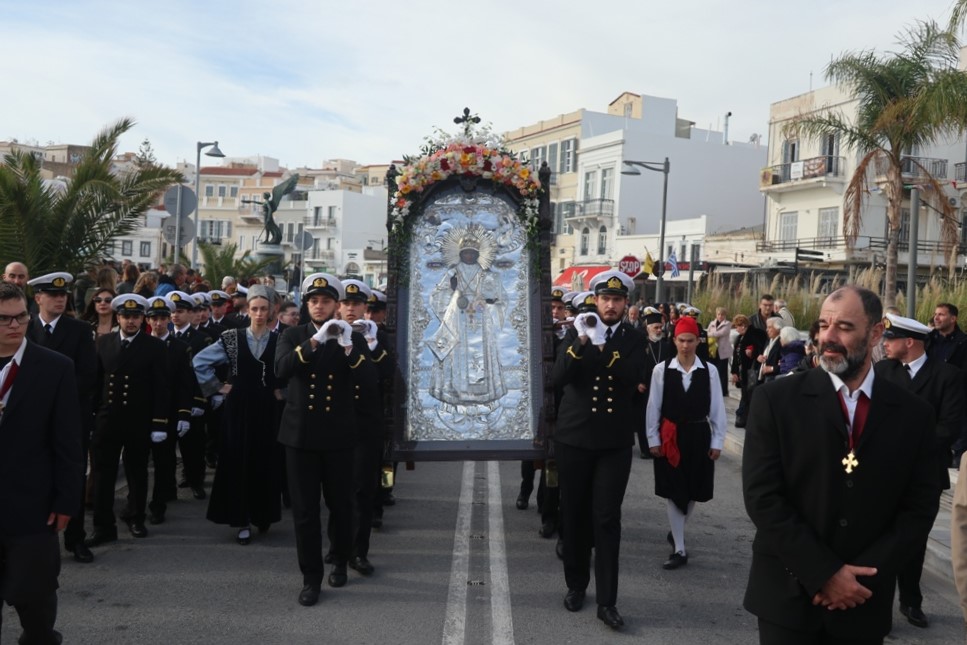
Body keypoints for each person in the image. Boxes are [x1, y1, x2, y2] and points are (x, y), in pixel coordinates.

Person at [742, 286, 941, 644]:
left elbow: (919, 507)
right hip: (787, 599)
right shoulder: (776, 400)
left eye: (845, 327)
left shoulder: (913, 415)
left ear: (876, 333)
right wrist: (824, 574)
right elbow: (763, 498)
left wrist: (859, 580)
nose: (828, 338)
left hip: (863, 601)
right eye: (822, 325)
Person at [275, 273, 378, 607]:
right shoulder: (293, 335)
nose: (320, 306)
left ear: (336, 305)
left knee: (340, 505)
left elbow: (369, 378)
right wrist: (315, 341)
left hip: (338, 436)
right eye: (314, 301)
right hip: (301, 436)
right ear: (307, 306)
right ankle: (311, 578)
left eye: (326, 301)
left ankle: (339, 560)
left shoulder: (351, 337)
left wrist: (348, 345)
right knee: (305, 512)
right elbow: (282, 369)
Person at [552, 270, 646, 630]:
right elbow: (559, 377)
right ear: (596, 300)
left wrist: (604, 350)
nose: (610, 304)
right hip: (574, 439)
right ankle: (576, 585)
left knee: (606, 520)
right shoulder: (577, 333)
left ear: (626, 304)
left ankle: (608, 601)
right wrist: (580, 341)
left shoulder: (634, 339)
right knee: (573, 515)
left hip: (613, 443)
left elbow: (633, 376)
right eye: (605, 299)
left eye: (618, 300)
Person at [0, 281, 84, 644]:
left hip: (33, 510)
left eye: (21, 317)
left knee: (35, 610)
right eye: (5, 320)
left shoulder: (54, 368)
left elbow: (68, 440)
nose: (15, 326)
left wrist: (67, 500)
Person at [873, 313, 964, 629]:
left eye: (890, 339)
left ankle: (911, 601)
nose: (884, 345)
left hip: (923, 476)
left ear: (908, 342)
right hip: (882, 474)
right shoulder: (882, 371)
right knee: (880, 540)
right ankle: (879, 609)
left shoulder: (946, 376)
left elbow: (950, 426)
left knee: (913, 542)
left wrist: (903, 443)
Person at [193, 285, 283, 545]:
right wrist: (217, 387)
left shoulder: (279, 340)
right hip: (239, 408)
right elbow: (200, 362)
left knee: (265, 461)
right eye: (254, 308)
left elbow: (291, 369)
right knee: (237, 461)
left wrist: (283, 391)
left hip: (267, 408)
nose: (258, 313)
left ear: (271, 311)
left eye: (263, 309)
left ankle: (263, 513)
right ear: (247, 310)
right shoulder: (232, 337)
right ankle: (241, 520)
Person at [86, 295, 170, 547]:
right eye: (126, 316)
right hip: (107, 420)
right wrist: (91, 417)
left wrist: (159, 423)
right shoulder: (104, 343)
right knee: (103, 474)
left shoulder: (154, 347)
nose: (131, 321)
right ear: (118, 318)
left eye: (135, 317)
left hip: (138, 420)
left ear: (142, 318)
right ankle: (103, 526)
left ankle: (136, 517)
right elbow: (96, 383)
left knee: (137, 472)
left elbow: (161, 388)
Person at [25, 272, 98, 565]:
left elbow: (88, 376)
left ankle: (76, 539)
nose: (59, 299)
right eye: (52, 295)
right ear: (38, 298)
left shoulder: (79, 331)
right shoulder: (25, 329)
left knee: (73, 478)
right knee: (33, 477)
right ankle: (32, 538)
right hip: (30, 420)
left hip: (69, 418)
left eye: (63, 295)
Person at [646, 315, 727, 570]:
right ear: (674, 340)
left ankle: (676, 531)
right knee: (673, 491)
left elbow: (717, 409)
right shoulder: (661, 370)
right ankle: (680, 548)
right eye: (681, 340)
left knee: (692, 491)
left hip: (698, 435)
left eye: (690, 340)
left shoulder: (710, 371)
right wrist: (652, 437)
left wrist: (717, 440)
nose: (685, 345)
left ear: (698, 341)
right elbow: (653, 406)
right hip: (671, 436)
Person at [142, 296, 194, 526]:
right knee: (140, 462)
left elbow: (185, 383)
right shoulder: (141, 344)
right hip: (143, 410)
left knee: (164, 463)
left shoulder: (180, 347)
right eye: (154, 318)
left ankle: (158, 505)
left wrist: (184, 413)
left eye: (163, 318)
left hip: (169, 412)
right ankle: (137, 503)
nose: (159, 323)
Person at [168, 291, 212, 500]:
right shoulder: (166, 337)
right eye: (173, 312)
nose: (176, 316)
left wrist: (200, 400)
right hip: (171, 399)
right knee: (169, 445)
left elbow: (204, 372)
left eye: (181, 311)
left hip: (193, 398)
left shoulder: (201, 339)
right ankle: (171, 485)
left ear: (189, 313)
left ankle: (196, 481)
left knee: (194, 444)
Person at [731, 315, 766, 428]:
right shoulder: (740, 338)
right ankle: (743, 418)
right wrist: (734, 372)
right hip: (743, 372)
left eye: (737, 326)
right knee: (745, 395)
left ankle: (744, 418)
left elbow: (760, 348)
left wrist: (754, 354)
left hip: (751, 371)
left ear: (743, 325)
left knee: (748, 395)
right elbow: (736, 357)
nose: (736, 329)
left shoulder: (754, 334)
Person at [706, 307, 733, 397]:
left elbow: (721, 333)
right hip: (713, 350)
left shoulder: (728, 324)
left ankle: (723, 390)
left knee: (722, 371)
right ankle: (712, 388)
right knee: (713, 369)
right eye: (718, 314)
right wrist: (711, 335)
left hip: (723, 350)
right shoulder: (712, 323)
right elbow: (707, 333)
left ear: (725, 316)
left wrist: (711, 334)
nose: (720, 316)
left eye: (722, 315)